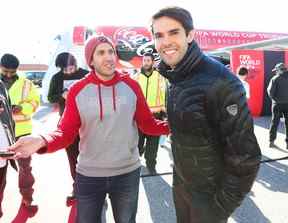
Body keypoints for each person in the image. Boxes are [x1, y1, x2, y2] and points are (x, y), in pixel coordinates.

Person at [7, 36, 169, 223]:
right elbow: (65, 133)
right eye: (101, 52)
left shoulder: (132, 86)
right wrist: (41, 140)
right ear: (90, 60)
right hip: (90, 175)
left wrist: (176, 127)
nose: (108, 57)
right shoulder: (78, 89)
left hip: (127, 173)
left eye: (111, 52)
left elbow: (148, 124)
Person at [151, 7, 261, 223]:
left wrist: (217, 210)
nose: (166, 42)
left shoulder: (221, 81)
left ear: (190, 35)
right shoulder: (174, 76)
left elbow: (246, 158)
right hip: (181, 186)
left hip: (209, 199)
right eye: (159, 35)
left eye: (174, 32)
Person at [0, 54, 40, 219]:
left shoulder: (26, 83)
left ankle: (27, 197)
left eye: (12, 71)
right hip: (2, 135)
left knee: (25, 168)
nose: (9, 74)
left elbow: (35, 102)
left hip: (21, 133)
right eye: (5, 71)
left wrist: (22, 108)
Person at [48, 52, 88, 205]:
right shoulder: (57, 78)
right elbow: (50, 97)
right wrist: (61, 95)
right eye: (66, 70)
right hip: (68, 123)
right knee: (73, 157)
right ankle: (77, 188)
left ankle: (95, 190)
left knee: (92, 156)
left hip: (89, 122)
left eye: (72, 68)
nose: (70, 71)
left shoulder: (86, 75)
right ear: (60, 68)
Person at [135, 52, 166, 173]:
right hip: (140, 116)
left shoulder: (160, 77)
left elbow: (164, 95)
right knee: (137, 142)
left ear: (152, 62)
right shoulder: (136, 77)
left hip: (156, 116)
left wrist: (164, 114)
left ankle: (151, 165)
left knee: (153, 144)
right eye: (144, 60)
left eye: (148, 60)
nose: (146, 62)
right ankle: (135, 164)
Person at [0, 79, 17, 219]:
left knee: (1, 185)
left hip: (3, 152)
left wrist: (12, 142)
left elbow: (9, 117)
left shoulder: (0, 85)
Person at [267, 62, 288, 149]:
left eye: (276, 70)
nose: (275, 72)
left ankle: (271, 142)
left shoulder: (275, 79)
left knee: (274, 122)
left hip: (277, 104)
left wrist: (275, 99)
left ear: (279, 70)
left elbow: (270, 92)